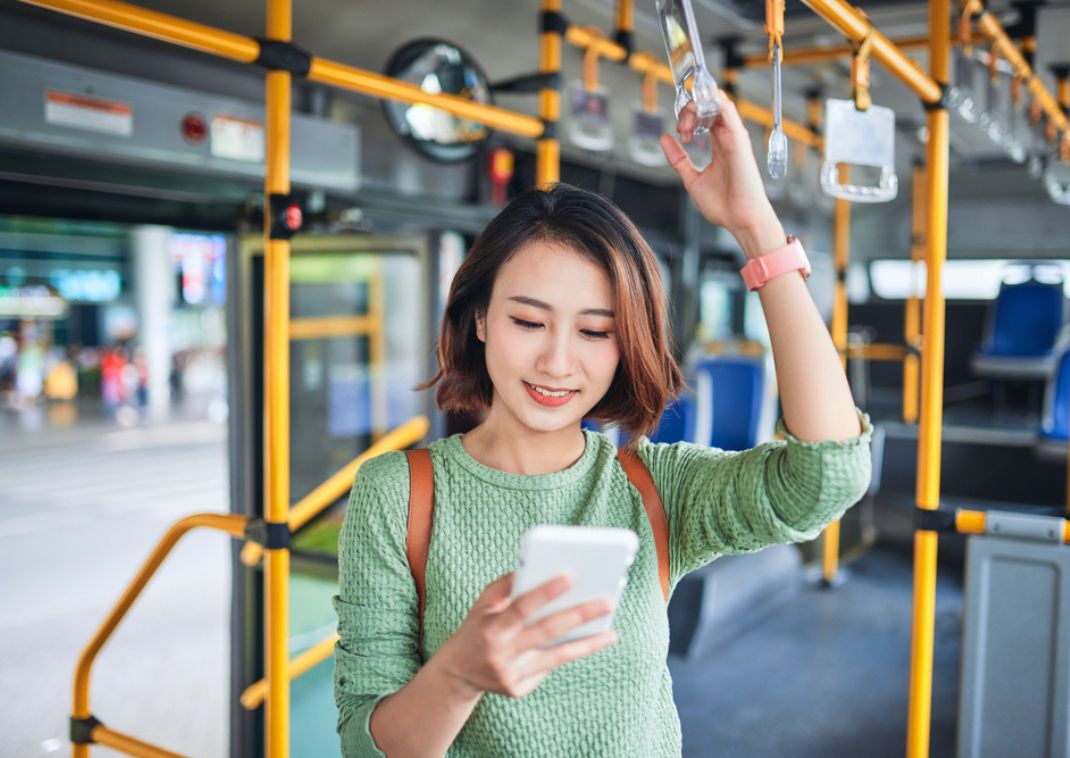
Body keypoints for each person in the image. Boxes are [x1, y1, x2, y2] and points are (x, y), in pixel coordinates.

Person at [333, 92, 872, 757]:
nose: (558, 361)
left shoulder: (654, 488)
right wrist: (459, 675)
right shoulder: (399, 495)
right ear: (479, 319)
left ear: (626, 345)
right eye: (528, 321)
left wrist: (757, 227)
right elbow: (366, 745)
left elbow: (826, 477)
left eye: (595, 331)